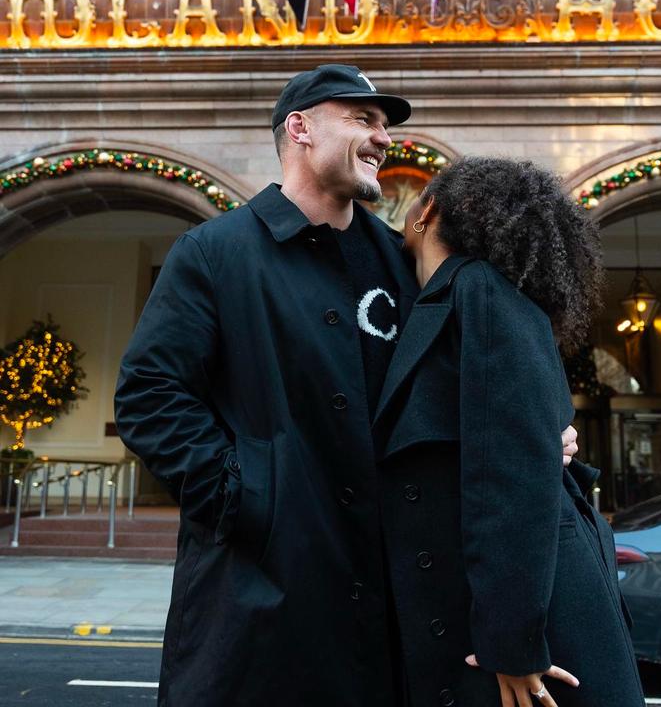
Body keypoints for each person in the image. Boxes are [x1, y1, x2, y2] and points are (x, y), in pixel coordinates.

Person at [114, 65, 580, 707]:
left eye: (385, 126)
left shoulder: (406, 263)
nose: (382, 137)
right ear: (299, 128)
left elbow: (468, 392)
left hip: (397, 597)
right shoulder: (214, 252)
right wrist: (248, 497)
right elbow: (149, 396)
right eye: (362, 118)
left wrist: (534, 435)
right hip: (261, 595)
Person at [373, 156, 645, 707]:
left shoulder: (482, 289)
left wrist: (513, 642)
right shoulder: (451, 298)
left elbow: (513, 475)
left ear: (428, 212)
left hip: (539, 626)